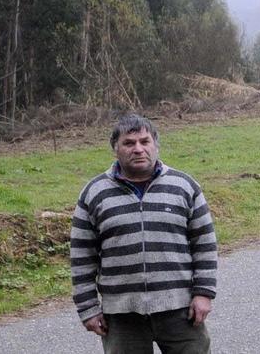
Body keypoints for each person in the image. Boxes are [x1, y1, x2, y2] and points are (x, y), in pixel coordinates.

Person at [71, 114, 218, 354]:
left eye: (144, 141)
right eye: (129, 143)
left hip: (180, 309)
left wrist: (203, 293)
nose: (138, 149)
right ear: (115, 149)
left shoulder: (184, 186)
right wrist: (88, 308)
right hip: (121, 315)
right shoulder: (94, 193)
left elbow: (204, 244)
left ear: (155, 145)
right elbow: (81, 255)